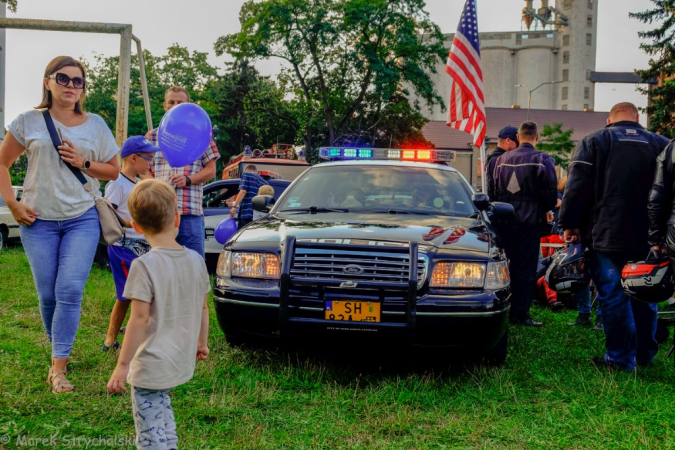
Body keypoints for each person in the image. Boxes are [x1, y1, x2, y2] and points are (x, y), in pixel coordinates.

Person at [0, 56, 120, 393]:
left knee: (69, 290)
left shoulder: (96, 124)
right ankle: (59, 347)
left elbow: (114, 170)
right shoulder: (28, 121)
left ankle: (58, 367)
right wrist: (12, 203)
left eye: (77, 81)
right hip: (37, 221)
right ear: (48, 82)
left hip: (81, 219)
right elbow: (3, 163)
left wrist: (83, 162)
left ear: (83, 88)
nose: (70, 86)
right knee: (48, 294)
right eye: (63, 79)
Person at [560, 102, 670, 372]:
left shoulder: (594, 141)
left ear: (610, 120)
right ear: (638, 119)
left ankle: (621, 360)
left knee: (613, 295)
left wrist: (570, 223)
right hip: (650, 236)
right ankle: (644, 354)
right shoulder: (663, 144)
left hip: (606, 233)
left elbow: (576, 187)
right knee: (646, 293)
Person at [107, 179, 210, 449]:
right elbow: (202, 307)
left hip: (150, 364)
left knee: (149, 432)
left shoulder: (143, 266)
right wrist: (202, 343)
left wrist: (123, 364)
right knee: (162, 413)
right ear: (177, 217)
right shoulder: (197, 260)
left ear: (137, 227)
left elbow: (139, 319)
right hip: (178, 359)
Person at [494, 121, 558, 326]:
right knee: (526, 270)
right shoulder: (543, 159)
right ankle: (520, 313)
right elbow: (550, 196)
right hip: (530, 223)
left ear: (518, 137)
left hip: (504, 222)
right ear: (536, 137)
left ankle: (503, 308)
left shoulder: (501, 159)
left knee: (505, 266)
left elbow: (494, 191)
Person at [145, 86, 220, 259]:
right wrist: (156, 186)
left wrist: (188, 179)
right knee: (160, 263)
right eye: (171, 102)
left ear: (188, 106)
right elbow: (144, 170)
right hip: (160, 211)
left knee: (193, 263)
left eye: (180, 102)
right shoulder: (152, 136)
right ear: (165, 106)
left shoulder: (202, 135)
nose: (175, 105)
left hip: (189, 213)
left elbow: (211, 170)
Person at [102, 136, 156, 352]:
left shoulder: (140, 184)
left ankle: (141, 331)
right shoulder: (117, 183)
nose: (150, 163)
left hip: (143, 246)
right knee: (126, 295)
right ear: (134, 158)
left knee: (146, 292)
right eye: (148, 158)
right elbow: (108, 215)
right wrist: (134, 223)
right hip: (123, 247)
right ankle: (109, 340)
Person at [486, 126, 519, 201]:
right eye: (518, 143)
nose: (520, 147)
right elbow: (512, 189)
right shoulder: (502, 161)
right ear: (508, 141)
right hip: (503, 206)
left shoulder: (493, 159)